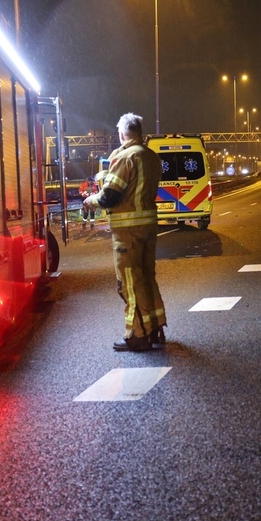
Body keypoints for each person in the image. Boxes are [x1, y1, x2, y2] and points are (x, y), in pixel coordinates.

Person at [83, 113, 166, 352]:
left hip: (128, 230)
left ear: (122, 134)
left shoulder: (124, 157)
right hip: (148, 227)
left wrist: (92, 200)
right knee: (147, 277)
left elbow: (111, 195)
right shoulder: (151, 156)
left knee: (129, 282)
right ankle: (155, 328)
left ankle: (138, 336)